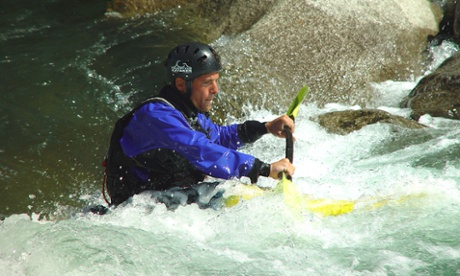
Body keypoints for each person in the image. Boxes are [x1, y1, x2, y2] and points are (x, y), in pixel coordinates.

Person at [103, 41, 295, 209]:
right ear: (181, 85)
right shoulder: (156, 117)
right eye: (206, 82)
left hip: (169, 195)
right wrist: (263, 169)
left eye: (216, 81)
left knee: (236, 192)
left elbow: (217, 138)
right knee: (234, 193)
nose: (215, 90)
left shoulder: (187, 111)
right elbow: (200, 149)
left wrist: (265, 127)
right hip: (138, 206)